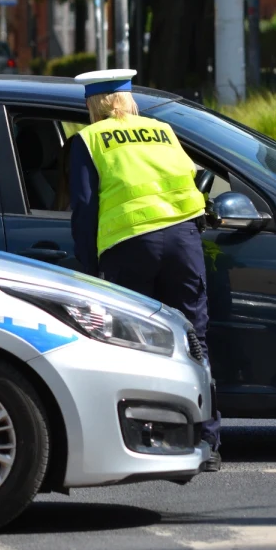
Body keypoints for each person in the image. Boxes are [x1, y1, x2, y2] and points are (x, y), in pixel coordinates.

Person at [67, 68, 221, 467]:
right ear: (129, 99)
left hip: (129, 245)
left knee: (137, 342)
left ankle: (150, 436)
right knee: (194, 338)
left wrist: (88, 264)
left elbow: (85, 207)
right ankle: (208, 441)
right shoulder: (161, 130)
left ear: (93, 104)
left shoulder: (89, 139)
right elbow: (193, 178)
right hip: (183, 240)